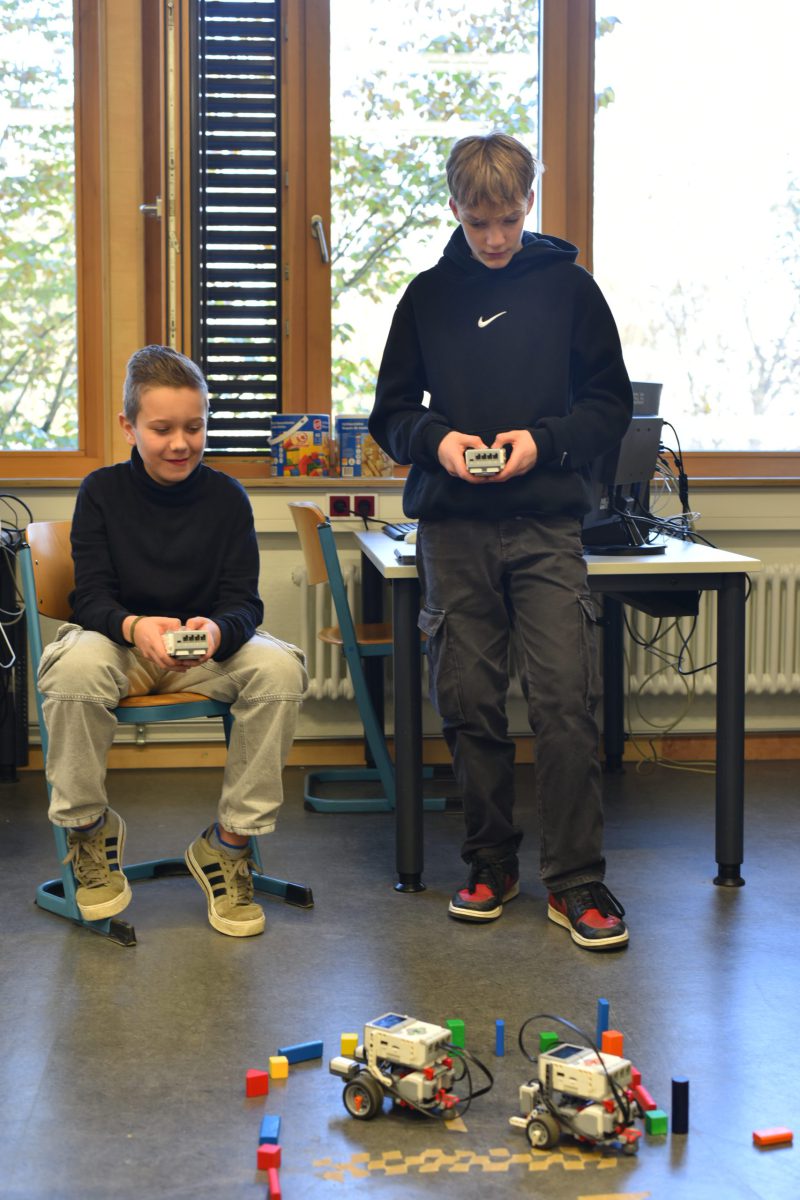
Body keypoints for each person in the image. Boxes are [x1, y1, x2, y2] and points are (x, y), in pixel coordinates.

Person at [368, 132, 633, 950]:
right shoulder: (426, 296)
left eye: (509, 220)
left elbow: (609, 405)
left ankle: (575, 879)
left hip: (547, 525)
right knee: (470, 704)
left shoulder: (571, 290)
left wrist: (543, 442)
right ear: (455, 208)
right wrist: (437, 440)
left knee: (564, 700)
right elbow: (390, 413)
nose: (493, 238)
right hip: (453, 529)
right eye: (478, 221)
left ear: (529, 204)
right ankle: (490, 863)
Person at [38, 345, 308, 938]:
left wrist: (217, 630)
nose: (181, 443)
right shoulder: (101, 491)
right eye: (162, 429)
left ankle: (227, 847)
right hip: (122, 646)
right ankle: (88, 833)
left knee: (280, 670)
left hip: (206, 653)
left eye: (194, 427)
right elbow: (91, 600)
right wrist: (135, 627)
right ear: (128, 426)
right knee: (72, 669)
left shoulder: (228, 497)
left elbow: (244, 603)